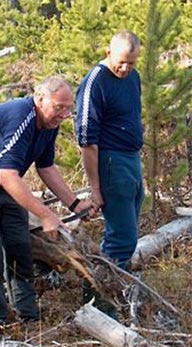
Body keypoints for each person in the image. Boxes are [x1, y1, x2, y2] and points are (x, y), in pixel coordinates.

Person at [0, 76, 92, 344]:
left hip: (4, 186)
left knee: (20, 249)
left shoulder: (49, 124)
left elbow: (46, 167)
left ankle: (28, 316)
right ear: (40, 99)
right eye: (59, 107)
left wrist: (74, 203)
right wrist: (46, 214)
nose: (64, 114)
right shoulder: (22, 117)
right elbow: (7, 176)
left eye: (68, 108)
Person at [75, 30, 144, 316]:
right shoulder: (95, 83)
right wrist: (96, 189)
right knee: (122, 237)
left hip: (131, 160)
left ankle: (115, 288)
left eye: (132, 62)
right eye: (120, 62)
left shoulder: (133, 79)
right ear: (107, 53)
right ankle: (98, 301)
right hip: (110, 162)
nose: (125, 68)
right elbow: (87, 141)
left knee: (126, 232)